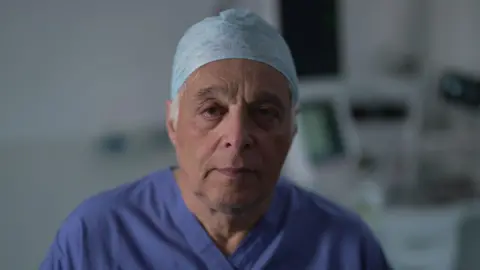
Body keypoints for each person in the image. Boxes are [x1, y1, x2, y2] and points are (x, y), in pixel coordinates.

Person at [40, 9, 391, 270]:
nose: (237, 138)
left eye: (264, 112)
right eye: (211, 111)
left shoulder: (345, 249)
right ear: (173, 123)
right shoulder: (95, 239)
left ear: (292, 130)